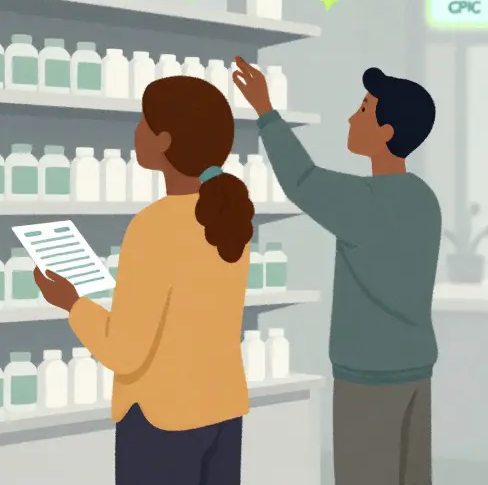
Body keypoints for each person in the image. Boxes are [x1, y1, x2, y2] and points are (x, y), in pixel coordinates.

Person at [34, 75, 255, 485]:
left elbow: (124, 351)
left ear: (165, 141)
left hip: (162, 419)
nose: (137, 131)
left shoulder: (154, 226)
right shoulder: (230, 217)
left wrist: (73, 303)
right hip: (222, 410)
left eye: (143, 122)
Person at [232, 57, 440, 485]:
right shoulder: (424, 199)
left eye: (363, 109)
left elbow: (301, 179)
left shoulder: (364, 202)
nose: (351, 117)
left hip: (369, 380)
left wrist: (266, 112)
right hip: (416, 368)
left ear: (387, 133)